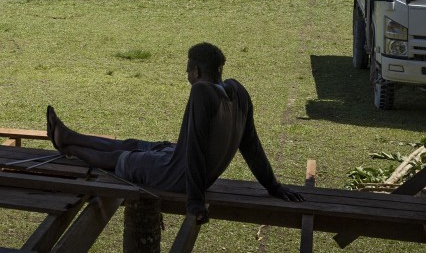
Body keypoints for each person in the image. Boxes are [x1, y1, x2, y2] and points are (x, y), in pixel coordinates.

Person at [45, 42, 304, 224]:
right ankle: (68, 135)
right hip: (184, 164)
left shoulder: (202, 92)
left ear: (197, 72)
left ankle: (67, 146)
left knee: (122, 159)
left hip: (178, 176)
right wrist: (272, 185)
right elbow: (252, 146)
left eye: (188, 71)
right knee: (135, 144)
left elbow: (197, 149)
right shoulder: (238, 92)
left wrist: (194, 202)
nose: (187, 76)